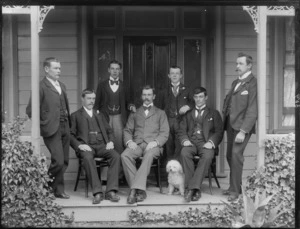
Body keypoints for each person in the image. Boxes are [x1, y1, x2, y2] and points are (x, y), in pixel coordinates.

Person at [26, 57, 71, 199]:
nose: (59, 70)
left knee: (64, 161)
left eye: (59, 68)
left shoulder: (62, 85)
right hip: (52, 128)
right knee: (58, 160)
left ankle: (58, 190)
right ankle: (45, 188)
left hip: (65, 126)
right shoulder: (41, 86)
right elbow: (30, 110)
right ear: (46, 69)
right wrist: (43, 123)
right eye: (56, 68)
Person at [70, 89, 120, 204]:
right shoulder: (76, 115)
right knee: (87, 158)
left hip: (102, 145)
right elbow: (70, 135)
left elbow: (109, 131)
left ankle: (111, 191)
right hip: (87, 147)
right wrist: (79, 145)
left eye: (93, 98)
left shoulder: (100, 114)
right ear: (82, 99)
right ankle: (97, 192)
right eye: (89, 98)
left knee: (116, 156)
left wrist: (111, 141)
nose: (91, 101)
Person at [121, 85, 169, 204]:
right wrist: (129, 141)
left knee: (148, 156)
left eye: (149, 95)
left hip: (153, 146)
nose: (146, 97)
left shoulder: (161, 113)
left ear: (154, 96)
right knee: (124, 155)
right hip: (137, 144)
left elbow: (164, 132)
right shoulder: (135, 112)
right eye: (144, 95)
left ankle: (134, 191)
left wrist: (155, 142)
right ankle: (139, 190)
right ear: (141, 96)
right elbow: (127, 130)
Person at [222, 52, 258, 202]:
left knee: (236, 156)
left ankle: (235, 192)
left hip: (241, 127)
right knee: (230, 156)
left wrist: (243, 131)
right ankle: (234, 186)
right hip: (231, 125)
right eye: (236, 64)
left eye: (240, 64)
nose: (237, 66)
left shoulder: (252, 83)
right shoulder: (235, 82)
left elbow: (252, 109)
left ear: (249, 65)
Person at [178, 86, 223, 202]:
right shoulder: (188, 114)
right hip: (191, 142)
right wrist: (185, 140)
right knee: (184, 153)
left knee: (208, 156)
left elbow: (219, 132)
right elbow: (182, 130)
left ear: (206, 98)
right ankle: (195, 189)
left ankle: (191, 189)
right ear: (193, 98)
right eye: (196, 97)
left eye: (201, 97)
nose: (198, 99)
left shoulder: (214, 113)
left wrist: (211, 142)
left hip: (206, 143)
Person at [94, 60, 136, 182]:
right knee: (106, 145)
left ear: (120, 71)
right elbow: (96, 104)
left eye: (117, 69)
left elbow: (129, 102)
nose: (115, 71)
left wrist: (131, 106)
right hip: (105, 118)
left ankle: (119, 176)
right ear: (108, 70)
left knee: (118, 146)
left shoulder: (125, 86)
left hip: (118, 117)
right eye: (112, 68)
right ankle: (105, 177)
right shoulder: (102, 85)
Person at [156, 66, 193, 162]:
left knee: (179, 147)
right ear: (169, 75)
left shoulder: (187, 90)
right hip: (167, 122)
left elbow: (194, 103)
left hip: (181, 123)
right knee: (168, 148)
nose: (175, 75)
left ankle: (178, 172)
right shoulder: (163, 91)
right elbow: (159, 108)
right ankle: (169, 172)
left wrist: (188, 106)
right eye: (172, 73)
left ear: (181, 75)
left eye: (177, 73)